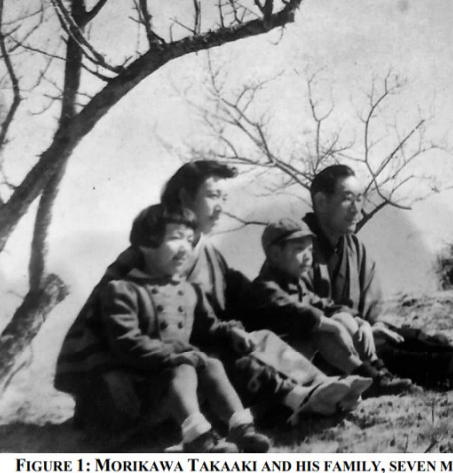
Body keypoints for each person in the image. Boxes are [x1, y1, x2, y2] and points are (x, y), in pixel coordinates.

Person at [55, 161, 362, 433]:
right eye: (212, 196)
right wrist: (106, 369)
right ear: (185, 198)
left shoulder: (209, 255)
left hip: (190, 364)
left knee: (257, 338)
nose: (220, 207)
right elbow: (94, 323)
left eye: (224, 198)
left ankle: (321, 389)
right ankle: (305, 398)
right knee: (227, 357)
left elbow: (256, 297)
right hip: (140, 379)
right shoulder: (142, 258)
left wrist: (322, 318)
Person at [302, 164, 453, 388]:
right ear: (321, 202)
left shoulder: (353, 247)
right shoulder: (296, 248)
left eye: (359, 198)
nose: (356, 209)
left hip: (361, 333)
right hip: (325, 349)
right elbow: (297, 310)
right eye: (346, 199)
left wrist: (372, 325)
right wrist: (358, 327)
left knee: (410, 338)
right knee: (390, 354)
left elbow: (370, 306)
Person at [99, 204, 270, 453]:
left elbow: (210, 325)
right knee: (185, 366)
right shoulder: (122, 290)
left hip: (181, 383)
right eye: (176, 238)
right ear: (146, 243)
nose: (185, 248)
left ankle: (241, 428)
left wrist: (231, 330)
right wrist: (174, 355)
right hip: (142, 384)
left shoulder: (188, 289)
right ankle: (197, 437)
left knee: (212, 364)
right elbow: (127, 341)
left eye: (190, 240)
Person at [243, 217, 412, 397]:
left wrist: (360, 322)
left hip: (296, 364)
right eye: (299, 249)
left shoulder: (296, 286)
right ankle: (369, 379)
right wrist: (334, 326)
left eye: (310, 249)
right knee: (321, 329)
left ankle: (379, 373)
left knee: (341, 317)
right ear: (275, 254)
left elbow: (327, 305)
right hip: (269, 372)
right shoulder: (264, 287)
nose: (308, 256)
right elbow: (296, 311)